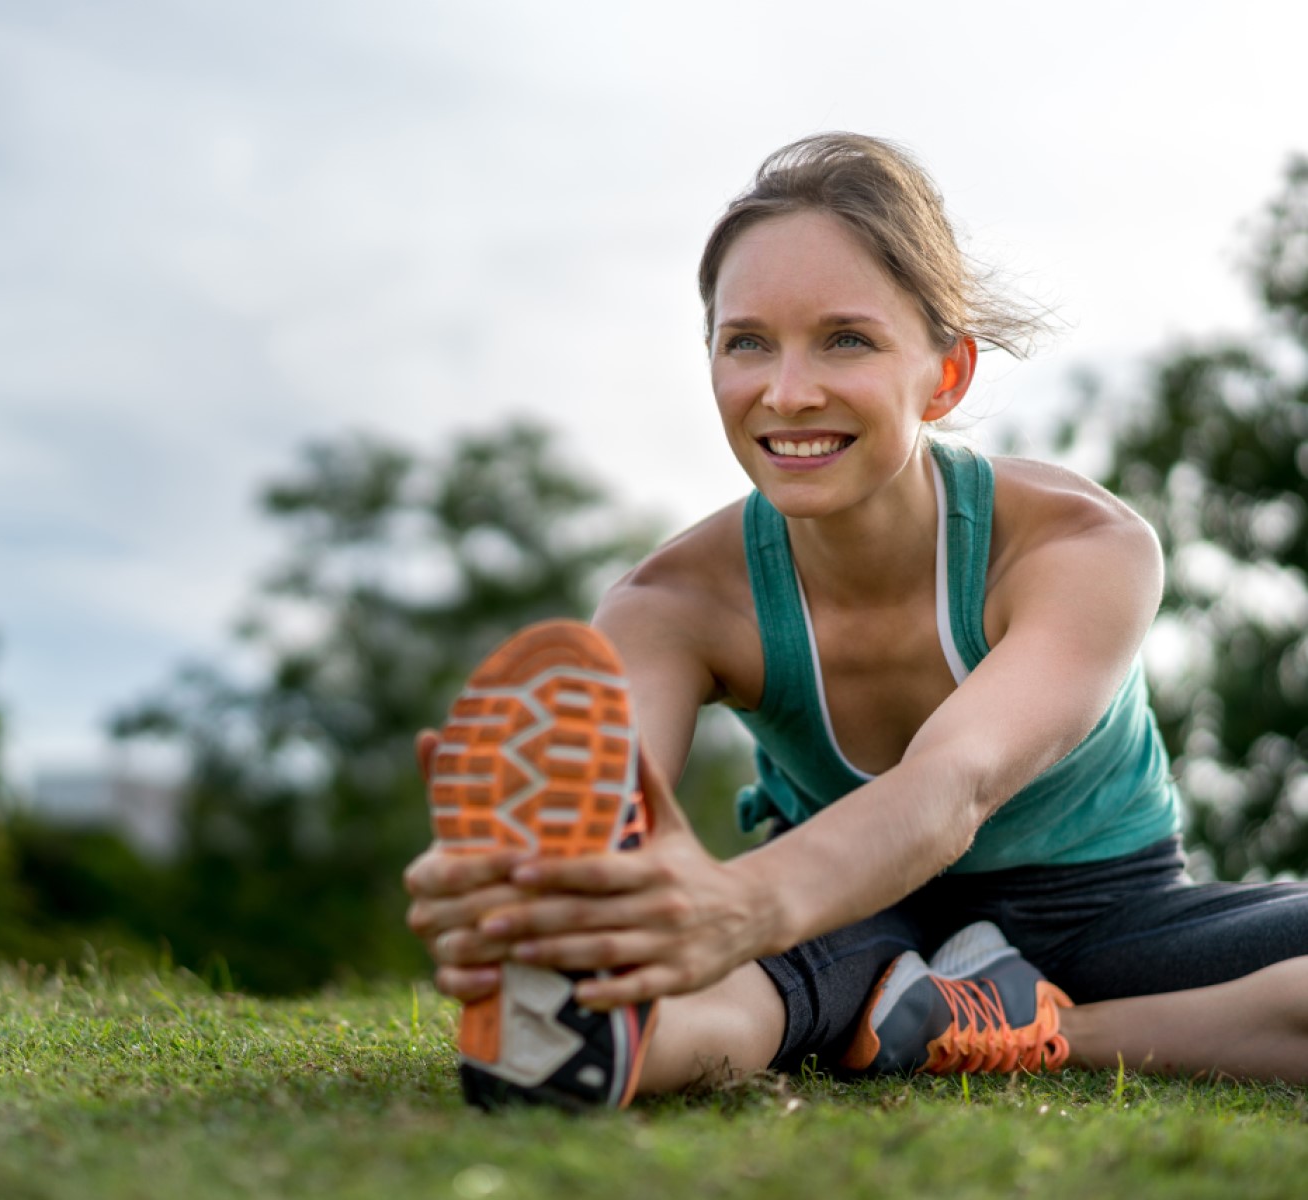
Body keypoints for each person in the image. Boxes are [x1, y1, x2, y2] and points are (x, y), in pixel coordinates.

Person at [403, 132, 1308, 1111]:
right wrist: (539, 902)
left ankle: (1015, 1030)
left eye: (847, 339)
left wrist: (742, 904)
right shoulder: (669, 605)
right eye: (747, 342)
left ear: (947, 374)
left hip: (1105, 916)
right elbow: (611, 822)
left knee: (756, 946)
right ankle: (570, 1040)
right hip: (848, 910)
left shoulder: (1081, 548)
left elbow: (952, 787)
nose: (787, 393)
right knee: (719, 990)